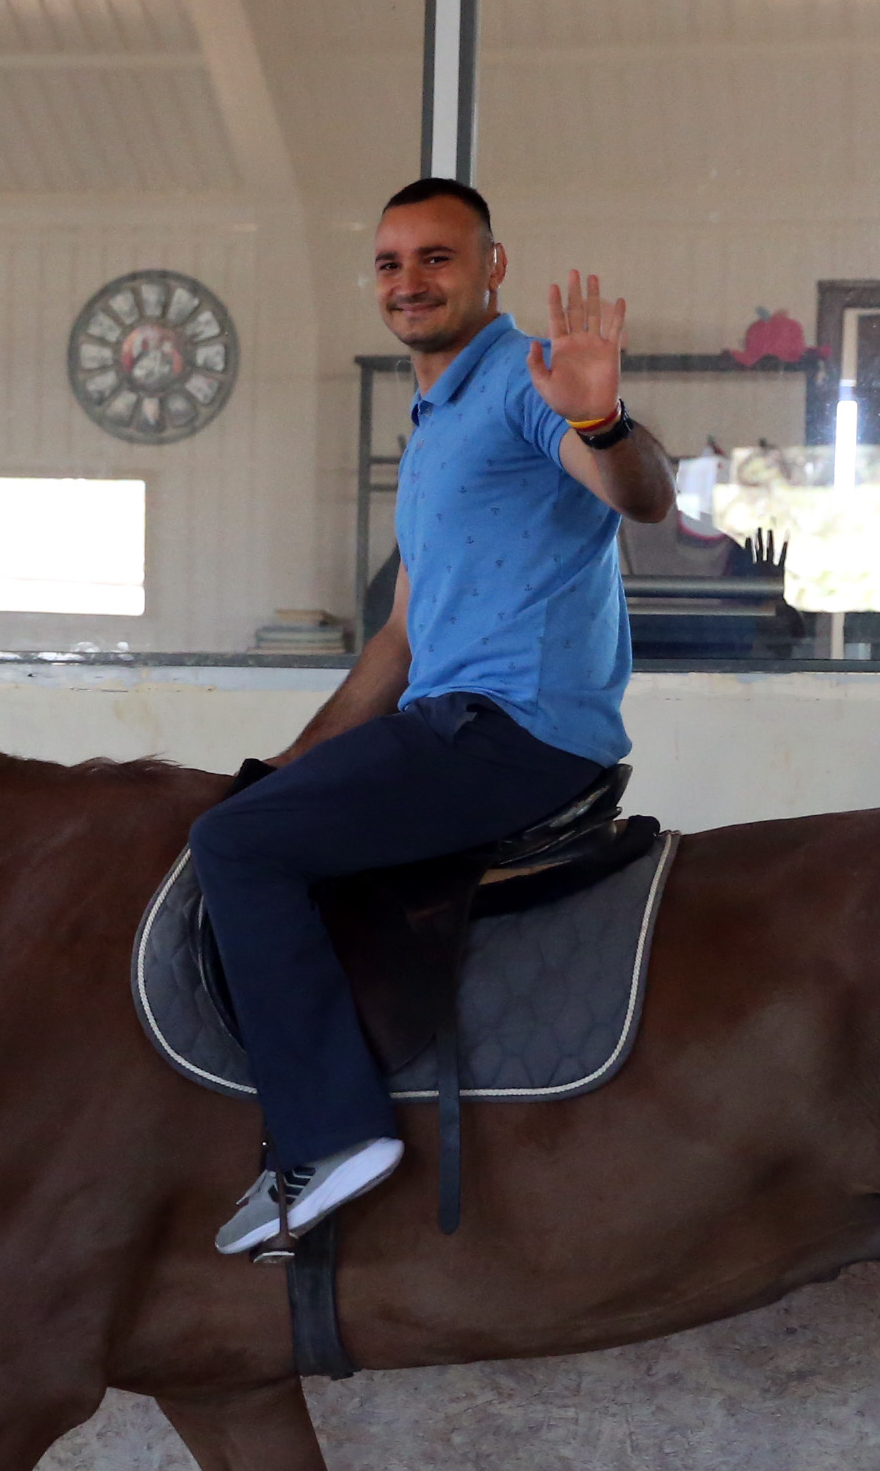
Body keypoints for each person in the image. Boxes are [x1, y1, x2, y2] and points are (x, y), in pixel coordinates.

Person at [190, 178, 676, 1253]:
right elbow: (398, 644)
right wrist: (286, 766)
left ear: (491, 267)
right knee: (244, 818)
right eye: (390, 263)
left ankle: (328, 1137)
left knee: (235, 849)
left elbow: (642, 496)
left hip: (514, 733)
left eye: (438, 258)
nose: (411, 281)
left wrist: (600, 415)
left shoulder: (519, 383)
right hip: (448, 720)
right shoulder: (434, 425)